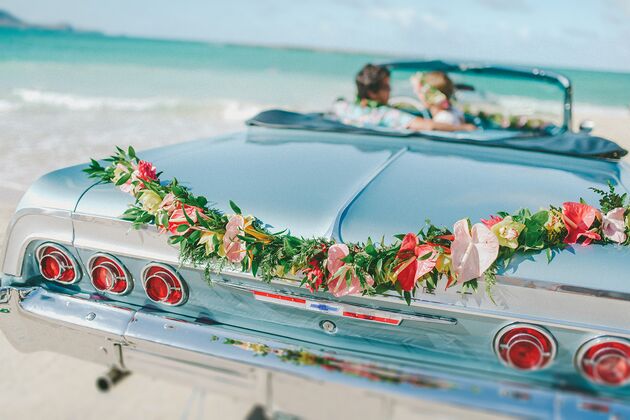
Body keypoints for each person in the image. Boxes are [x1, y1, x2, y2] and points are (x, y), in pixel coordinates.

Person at [331, 64, 474, 132]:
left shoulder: (342, 107)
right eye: (386, 87)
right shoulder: (387, 115)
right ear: (372, 93)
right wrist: (465, 127)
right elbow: (430, 126)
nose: (391, 90)